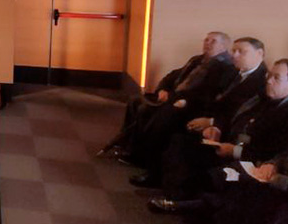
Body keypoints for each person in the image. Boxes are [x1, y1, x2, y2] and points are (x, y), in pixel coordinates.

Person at [152, 37, 268, 201]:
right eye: (234, 51)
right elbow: (212, 97)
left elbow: (241, 114)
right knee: (173, 129)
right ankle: (166, 185)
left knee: (181, 141)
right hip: (216, 122)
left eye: (241, 52)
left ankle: (177, 195)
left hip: (233, 135)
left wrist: (213, 123)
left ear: (260, 54)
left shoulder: (261, 82)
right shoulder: (233, 72)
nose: (235, 55)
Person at [100, 32, 234, 158]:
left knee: (150, 111)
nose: (208, 43)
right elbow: (172, 76)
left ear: (224, 46)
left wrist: (181, 100)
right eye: (206, 40)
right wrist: (162, 89)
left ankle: (139, 154)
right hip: (173, 96)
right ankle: (127, 144)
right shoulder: (197, 60)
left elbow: (209, 93)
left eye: (213, 41)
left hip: (190, 104)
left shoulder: (225, 67)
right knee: (135, 101)